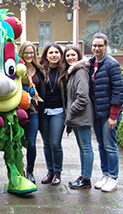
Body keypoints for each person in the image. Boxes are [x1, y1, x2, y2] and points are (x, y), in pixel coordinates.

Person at [89, 33, 123, 192]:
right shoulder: (91, 63)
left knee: (110, 145)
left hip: (109, 113)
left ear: (106, 46)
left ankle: (113, 177)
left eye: (100, 45)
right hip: (97, 112)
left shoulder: (112, 64)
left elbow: (118, 91)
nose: (96, 48)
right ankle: (105, 173)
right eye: (94, 45)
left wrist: (114, 116)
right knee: (101, 144)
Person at [60, 45, 94, 189]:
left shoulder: (80, 71)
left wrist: (70, 113)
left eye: (73, 55)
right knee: (82, 147)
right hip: (79, 116)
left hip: (82, 116)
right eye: (67, 55)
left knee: (86, 147)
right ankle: (84, 176)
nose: (70, 58)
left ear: (78, 56)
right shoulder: (73, 71)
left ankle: (86, 179)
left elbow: (82, 97)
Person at [18, 41, 45, 184]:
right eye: (26, 52)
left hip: (33, 111)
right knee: (16, 142)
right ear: (21, 53)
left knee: (31, 143)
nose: (29, 55)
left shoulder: (39, 69)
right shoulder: (17, 68)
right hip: (17, 111)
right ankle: (18, 170)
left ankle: (30, 170)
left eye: (31, 52)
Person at [39, 42, 65, 186]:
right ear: (46, 55)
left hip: (58, 111)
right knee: (46, 144)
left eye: (56, 52)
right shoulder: (41, 70)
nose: (54, 55)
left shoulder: (64, 71)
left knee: (55, 143)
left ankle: (58, 172)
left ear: (60, 55)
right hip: (44, 112)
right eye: (51, 52)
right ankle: (50, 171)